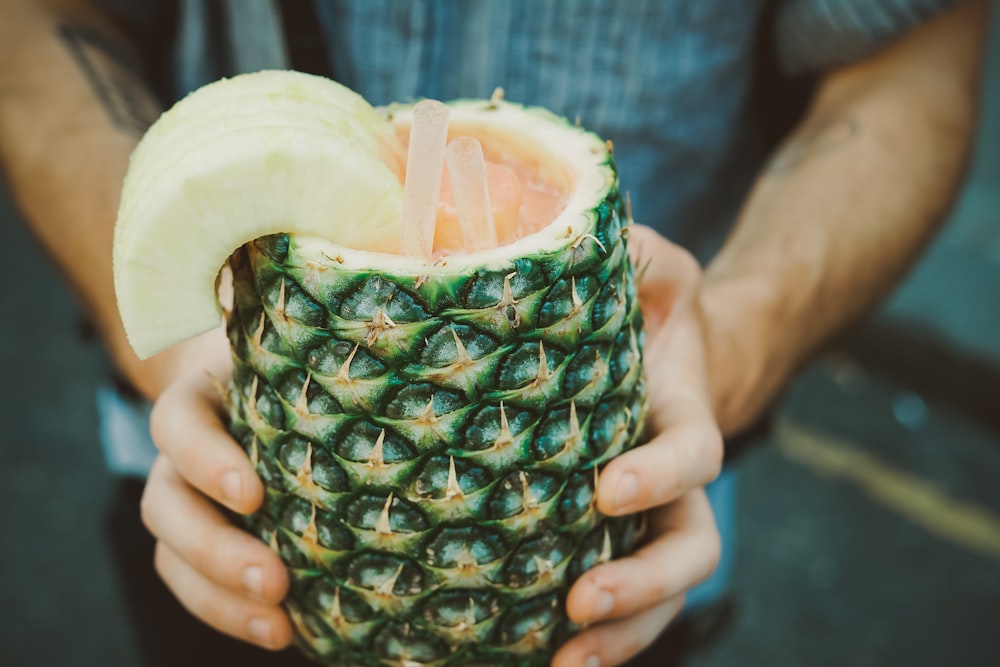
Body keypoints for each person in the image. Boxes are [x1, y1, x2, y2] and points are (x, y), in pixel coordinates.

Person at [0, 1, 991, 666]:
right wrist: (181, 352)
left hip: (636, 458)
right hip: (225, 468)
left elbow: (906, 59)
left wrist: (721, 345)